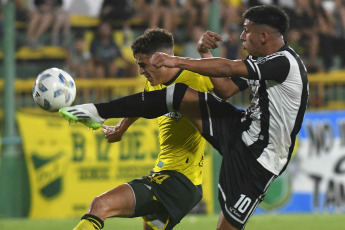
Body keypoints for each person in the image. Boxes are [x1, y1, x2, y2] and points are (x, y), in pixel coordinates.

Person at [60, 5, 309, 230]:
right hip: (240, 129)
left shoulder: (285, 63)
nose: (242, 36)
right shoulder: (260, 59)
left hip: (259, 159)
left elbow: (229, 68)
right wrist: (204, 54)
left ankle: (98, 110)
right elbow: (225, 89)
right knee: (178, 94)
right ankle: (97, 110)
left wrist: (176, 60)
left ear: (263, 36)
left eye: (246, 30)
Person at [64, 27, 217, 230]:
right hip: (177, 181)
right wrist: (121, 127)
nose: (140, 71)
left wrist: (205, 55)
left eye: (143, 65)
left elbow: (223, 84)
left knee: (101, 205)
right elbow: (142, 105)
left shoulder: (195, 79)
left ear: (160, 60)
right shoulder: (154, 83)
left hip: (178, 180)